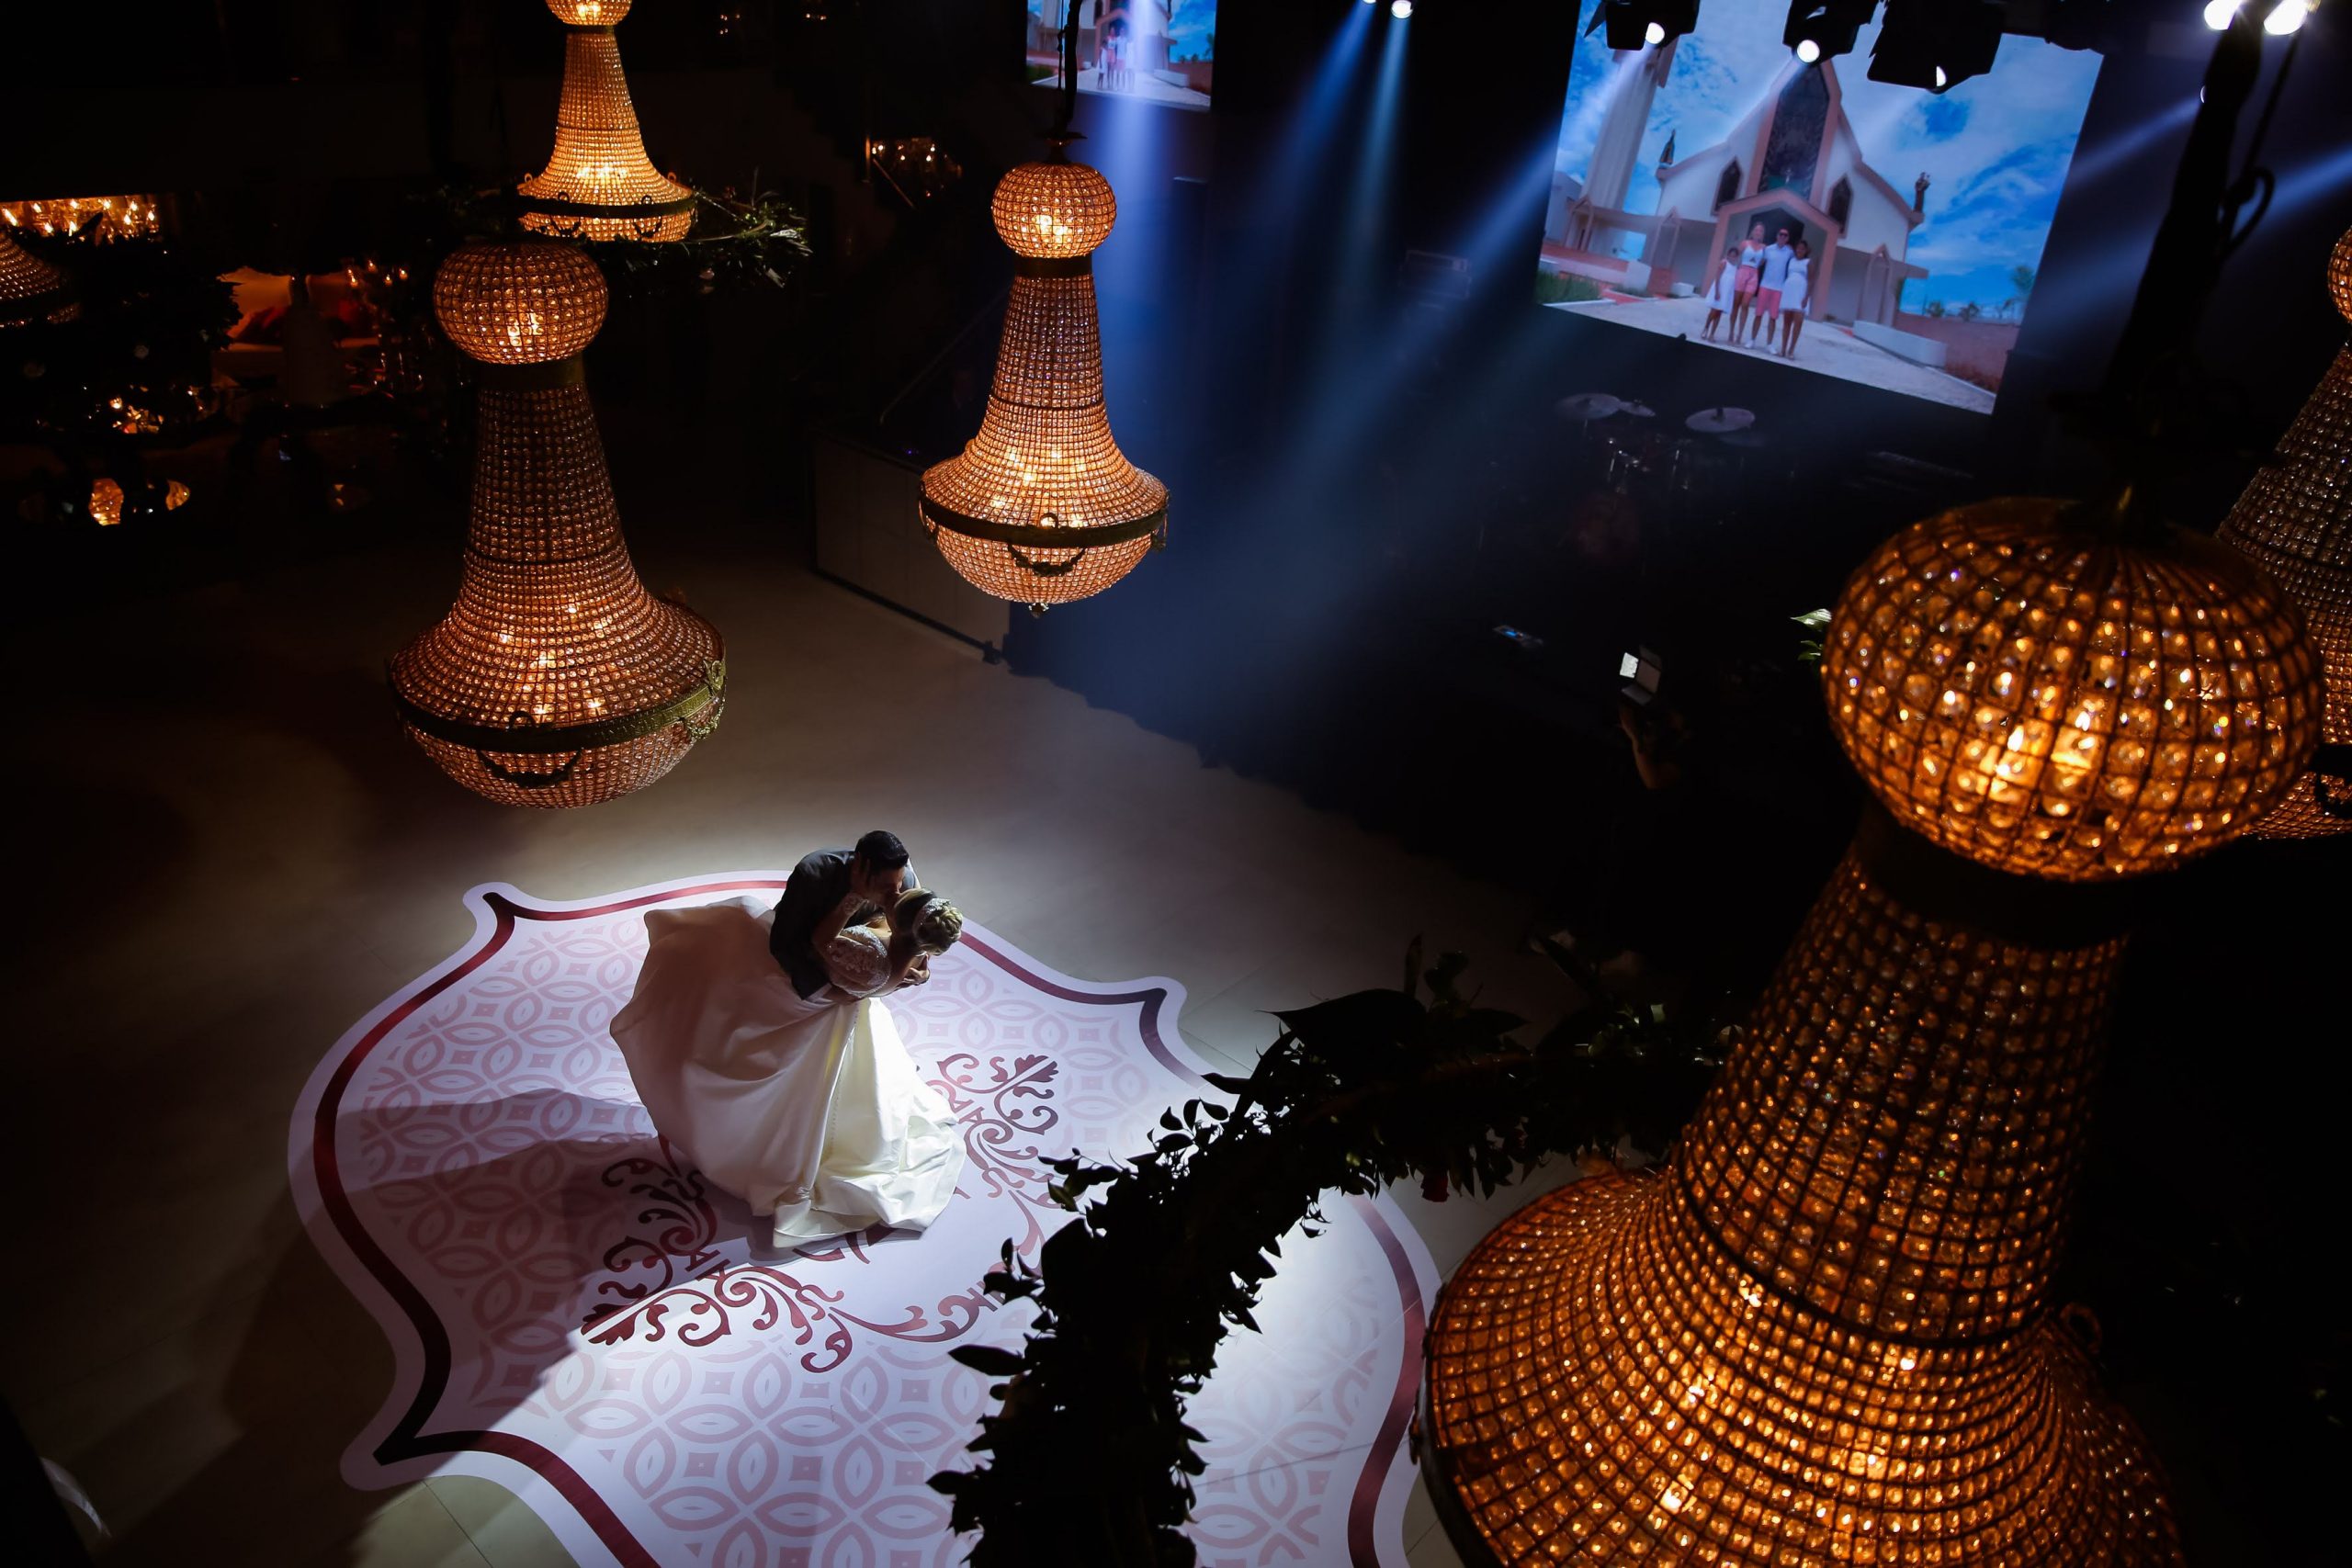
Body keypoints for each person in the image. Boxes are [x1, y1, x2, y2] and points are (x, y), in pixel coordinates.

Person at [611, 865, 968, 1244]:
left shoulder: (871, 955)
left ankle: (763, 1157)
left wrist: (848, 904)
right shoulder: (909, 957)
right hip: (849, 1003)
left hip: (823, 1002)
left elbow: (824, 950)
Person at [770, 830, 913, 998]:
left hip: (849, 968)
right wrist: (827, 992)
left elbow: (914, 936)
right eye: (886, 888)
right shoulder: (814, 875)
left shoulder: (903, 884)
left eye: (899, 883)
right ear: (859, 867)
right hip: (801, 961)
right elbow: (784, 943)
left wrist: (919, 969)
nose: (896, 895)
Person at [1750, 227, 1795, 345]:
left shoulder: (1789, 252)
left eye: (1785, 235)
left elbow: (1796, 262)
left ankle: (1769, 344)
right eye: (1781, 234)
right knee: (1758, 315)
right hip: (1765, 286)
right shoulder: (1768, 249)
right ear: (1777, 236)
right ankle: (1752, 340)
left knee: (1773, 318)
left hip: (1778, 289)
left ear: (1787, 238)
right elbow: (1759, 263)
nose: (1783, 236)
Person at [1726, 223, 1767, 345]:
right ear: (1752, 232)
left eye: (1760, 230)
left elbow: (1763, 261)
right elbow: (1735, 255)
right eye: (1756, 230)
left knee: (1745, 304)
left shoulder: (1764, 247)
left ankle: (1740, 334)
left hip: (1754, 275)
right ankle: (1731, 332)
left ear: (1763, 234)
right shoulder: (1745, 243)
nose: (1758, 232)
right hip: (1742, 272)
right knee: (1736, 304)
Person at [1778, 240, 1812, 357]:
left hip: (1801, 294)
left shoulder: (1808, 262)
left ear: (1806, 250)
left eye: (1802, 248)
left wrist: (1806, 297)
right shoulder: (1791, 260)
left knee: (1798, 322)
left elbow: (1811, 281)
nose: (1800, 250)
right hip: (1789, 292)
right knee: (1787, 322)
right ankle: (1783, 349)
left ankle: (1791, 350)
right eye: (1798, 248)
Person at [1700, 245, 1740, 342]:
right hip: (1719, 290)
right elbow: (1717, 277)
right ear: (1728, 255)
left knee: (1719, 313)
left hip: (1727, 293)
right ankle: (1706, 328)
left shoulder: (1735, 267)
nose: (1732, 258)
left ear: (1737, 257)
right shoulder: (1724, 263)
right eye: (1731, 255)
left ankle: (1712, 334)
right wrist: (1717, 291)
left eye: (1734, 256)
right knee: (1714, 311)